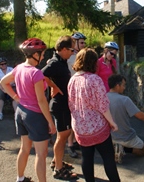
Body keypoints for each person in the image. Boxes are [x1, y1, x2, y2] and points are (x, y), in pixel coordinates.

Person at [0, 38, 56, 182]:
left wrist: (16, 97)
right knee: (41, 154)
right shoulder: (36, 73)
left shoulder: (18, 68)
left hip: (21, 112)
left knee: (24, 148)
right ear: (35, 54)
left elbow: (3, 82)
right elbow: (41, 100)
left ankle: (20, 178)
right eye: (42, 54)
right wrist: (50, 121)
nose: (43, 56)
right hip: (35, 116)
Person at [67, 48, 121, 182]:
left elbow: (71, 104)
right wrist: (112, 122)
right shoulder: (95, 79)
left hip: (80, 127)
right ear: (93, 62)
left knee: (87, 158)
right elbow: (103, 105)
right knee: (108, 158)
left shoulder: (73, 79)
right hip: (97, 127)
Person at [107, 74, 144, 164]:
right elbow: (140, 116)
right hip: (125, 136)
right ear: (117, 85)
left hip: (109, 136)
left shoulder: (103, 97)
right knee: (143, 151)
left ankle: (116, 146)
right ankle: (123, 148)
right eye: (123, 85)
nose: (124, 87)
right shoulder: (125, 100)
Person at [41, 35, 77, 180]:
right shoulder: (55, 62)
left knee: (64, 135)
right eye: (71, 49)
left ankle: (57, 161)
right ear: (62, 49)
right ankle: (58, 169)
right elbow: (40, 75)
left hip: (64, 104)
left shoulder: (61, 62)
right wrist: (53, 86)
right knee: (62, 137)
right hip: (59, 105)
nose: (72, 52)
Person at [67, 32, 87, 158]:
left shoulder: (80, 55)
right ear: (75, 43)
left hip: (80, 89)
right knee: (71, 117)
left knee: (79, 115)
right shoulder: (68, 56)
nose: (84, 44)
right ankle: (70, 144)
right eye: (82, 42)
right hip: (70, 89)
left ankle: (75, 141)